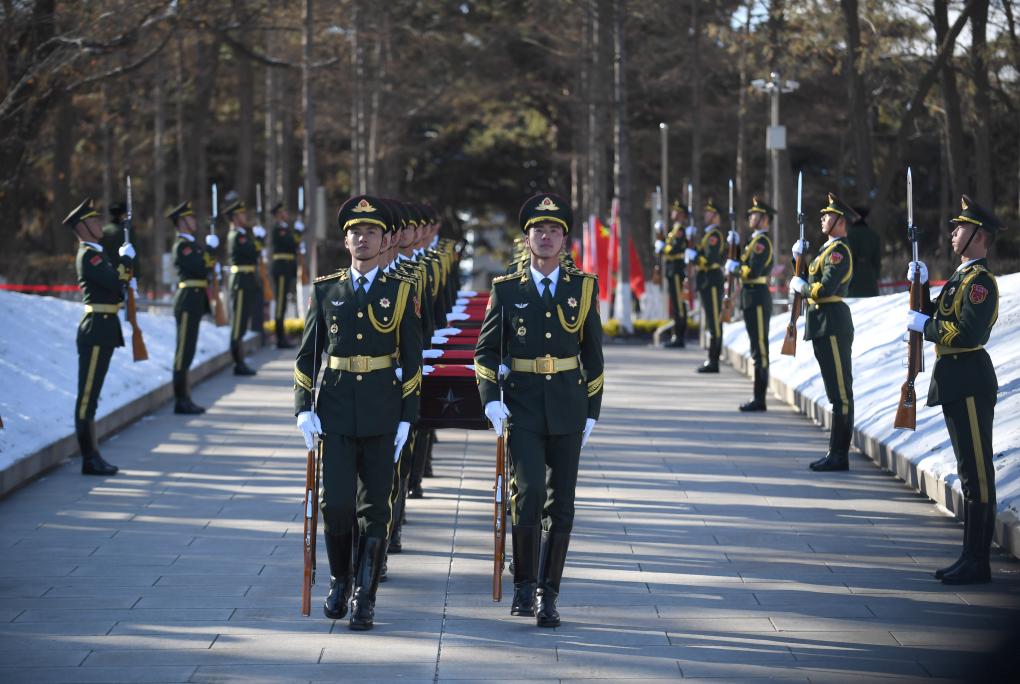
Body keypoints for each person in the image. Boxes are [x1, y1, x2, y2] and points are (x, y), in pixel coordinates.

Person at [474, 192, 604, 628]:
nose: (545, 236)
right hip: (524, 407)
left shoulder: (583, 287)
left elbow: (594, 353)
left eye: (553, 231)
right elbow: (486, 351)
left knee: (561, 505)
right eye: (538, 230)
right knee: (526, 496)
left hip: (567, 405)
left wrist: (592, 410)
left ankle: (550, 595)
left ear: (564, 240)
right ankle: (524, 587)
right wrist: (491, 398)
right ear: (527, 239)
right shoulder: (507, 289)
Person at [294, 195, 422, 630]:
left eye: (371, 232)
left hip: (383, 413)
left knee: (377, 508)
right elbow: (308, 355)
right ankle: (339, 579)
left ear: (385, 239)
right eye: (355, 232)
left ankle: (365, 595)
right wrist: (302, 408)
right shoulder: (326, 290)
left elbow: (412, 362)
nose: (363, 238)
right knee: (337, 503)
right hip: (335, 409)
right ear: (345, 240)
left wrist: (408, 416)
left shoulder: (401, 292)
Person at [906, 195, 1003, 585]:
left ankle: (978, 561)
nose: (953, 233)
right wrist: (922, 285)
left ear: (979, 237)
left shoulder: (981, 283)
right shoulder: (961, 278)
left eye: (960, 228)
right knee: (967, 471)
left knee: (977, 473)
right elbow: (939, 312)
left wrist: (923, 327)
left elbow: (968, 332)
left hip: (969, 378)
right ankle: (969, 556)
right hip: (954, 379)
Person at [64, 199, 136, 476]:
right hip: (96, 328)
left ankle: (92, 455)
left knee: (92, 397)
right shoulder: (89, 256)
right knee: (87, 399)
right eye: (93, 221)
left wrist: (125, 266)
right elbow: (115, 285)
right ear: (82, 227)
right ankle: (89, 457)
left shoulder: (99, 253)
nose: (99, 224)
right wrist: (126, 261)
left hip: (104, 327)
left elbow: (117, 285)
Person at [789, 193, 857, 472]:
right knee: (834, 391)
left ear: (840, 222)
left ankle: (839, 454)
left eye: (827, 215)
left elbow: (824, 287)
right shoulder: (826, 251)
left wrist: (803, 287)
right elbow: (812, 278)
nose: (822, 218)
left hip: (832, 322)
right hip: (821, 323)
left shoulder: (839, 252)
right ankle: (834, 451)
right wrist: (799, 260)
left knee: (841, 392)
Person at [168, 201, 217, 414]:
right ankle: (180, 399)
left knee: (188, 352)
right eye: (190, 218)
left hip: (195, 300)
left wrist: (209, 253)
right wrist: (210, 251)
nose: (194, 221)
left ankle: (185, 397)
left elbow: (206, 267)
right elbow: (199, 267)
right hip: (187, 300)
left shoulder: (193, 245)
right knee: (183, 353)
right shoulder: (182, 246)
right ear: (181, 222)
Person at [726, 196, 774, 411]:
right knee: (756, 348)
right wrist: (735, 247)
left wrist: (734, 267)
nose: (750, 217)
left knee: (760, 349)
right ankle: (757, 397)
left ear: (764, 219)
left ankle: (760, 399)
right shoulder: (754, 241)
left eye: (755, 214)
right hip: (749, 296)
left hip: (757, 296)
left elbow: (750, 270)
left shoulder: (762, 243)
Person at [686, 198, 725, 372]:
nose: (705, 215)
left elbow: (709, 260)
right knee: (711, 320)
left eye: (709, 212)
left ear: (716, 216)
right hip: (706, 281)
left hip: (712, 280)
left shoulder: (715, 235)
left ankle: (714, 360)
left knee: (715, 321)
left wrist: (694, 256)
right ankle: (711, 358)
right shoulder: (708, 235)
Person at [224, 198, 258, 376]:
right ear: (235, 217)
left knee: (242, 323)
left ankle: (240, 360)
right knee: (238, 324)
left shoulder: (243, 234)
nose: (245, 216)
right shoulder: (237, 235)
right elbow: (253, 252)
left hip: (247, 280)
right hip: (241, 281)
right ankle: (238, 362)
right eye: (241, 214)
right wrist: (257, 239)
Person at [657, 200, 689, 348]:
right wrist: (661, 238)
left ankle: (679, 337)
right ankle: (676, 335)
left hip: (676, 269)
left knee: (679, 304)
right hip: (671, 269)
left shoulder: (680, 230)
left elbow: (675, 249)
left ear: (681, 214)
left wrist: (663, 247)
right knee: (675, 304)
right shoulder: (674, 229)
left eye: (676, 211)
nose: (673, 213)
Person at [270, 201, 299, 349]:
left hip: (286, 268)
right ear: (279, 214)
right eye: (284, 212)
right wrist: (297, 234)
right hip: (281, 269)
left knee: (283, 304)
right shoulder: (278, 228)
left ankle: (281, 337)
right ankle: (280, 338)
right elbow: (290, 243)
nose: (286, 214)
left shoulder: (285, 228)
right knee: (280, 303)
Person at [847, 207, 881, 297]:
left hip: (852, 280)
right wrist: (876, 276)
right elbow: (877, 262)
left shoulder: (848, 236)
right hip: (870, 279)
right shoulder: (874, 236)